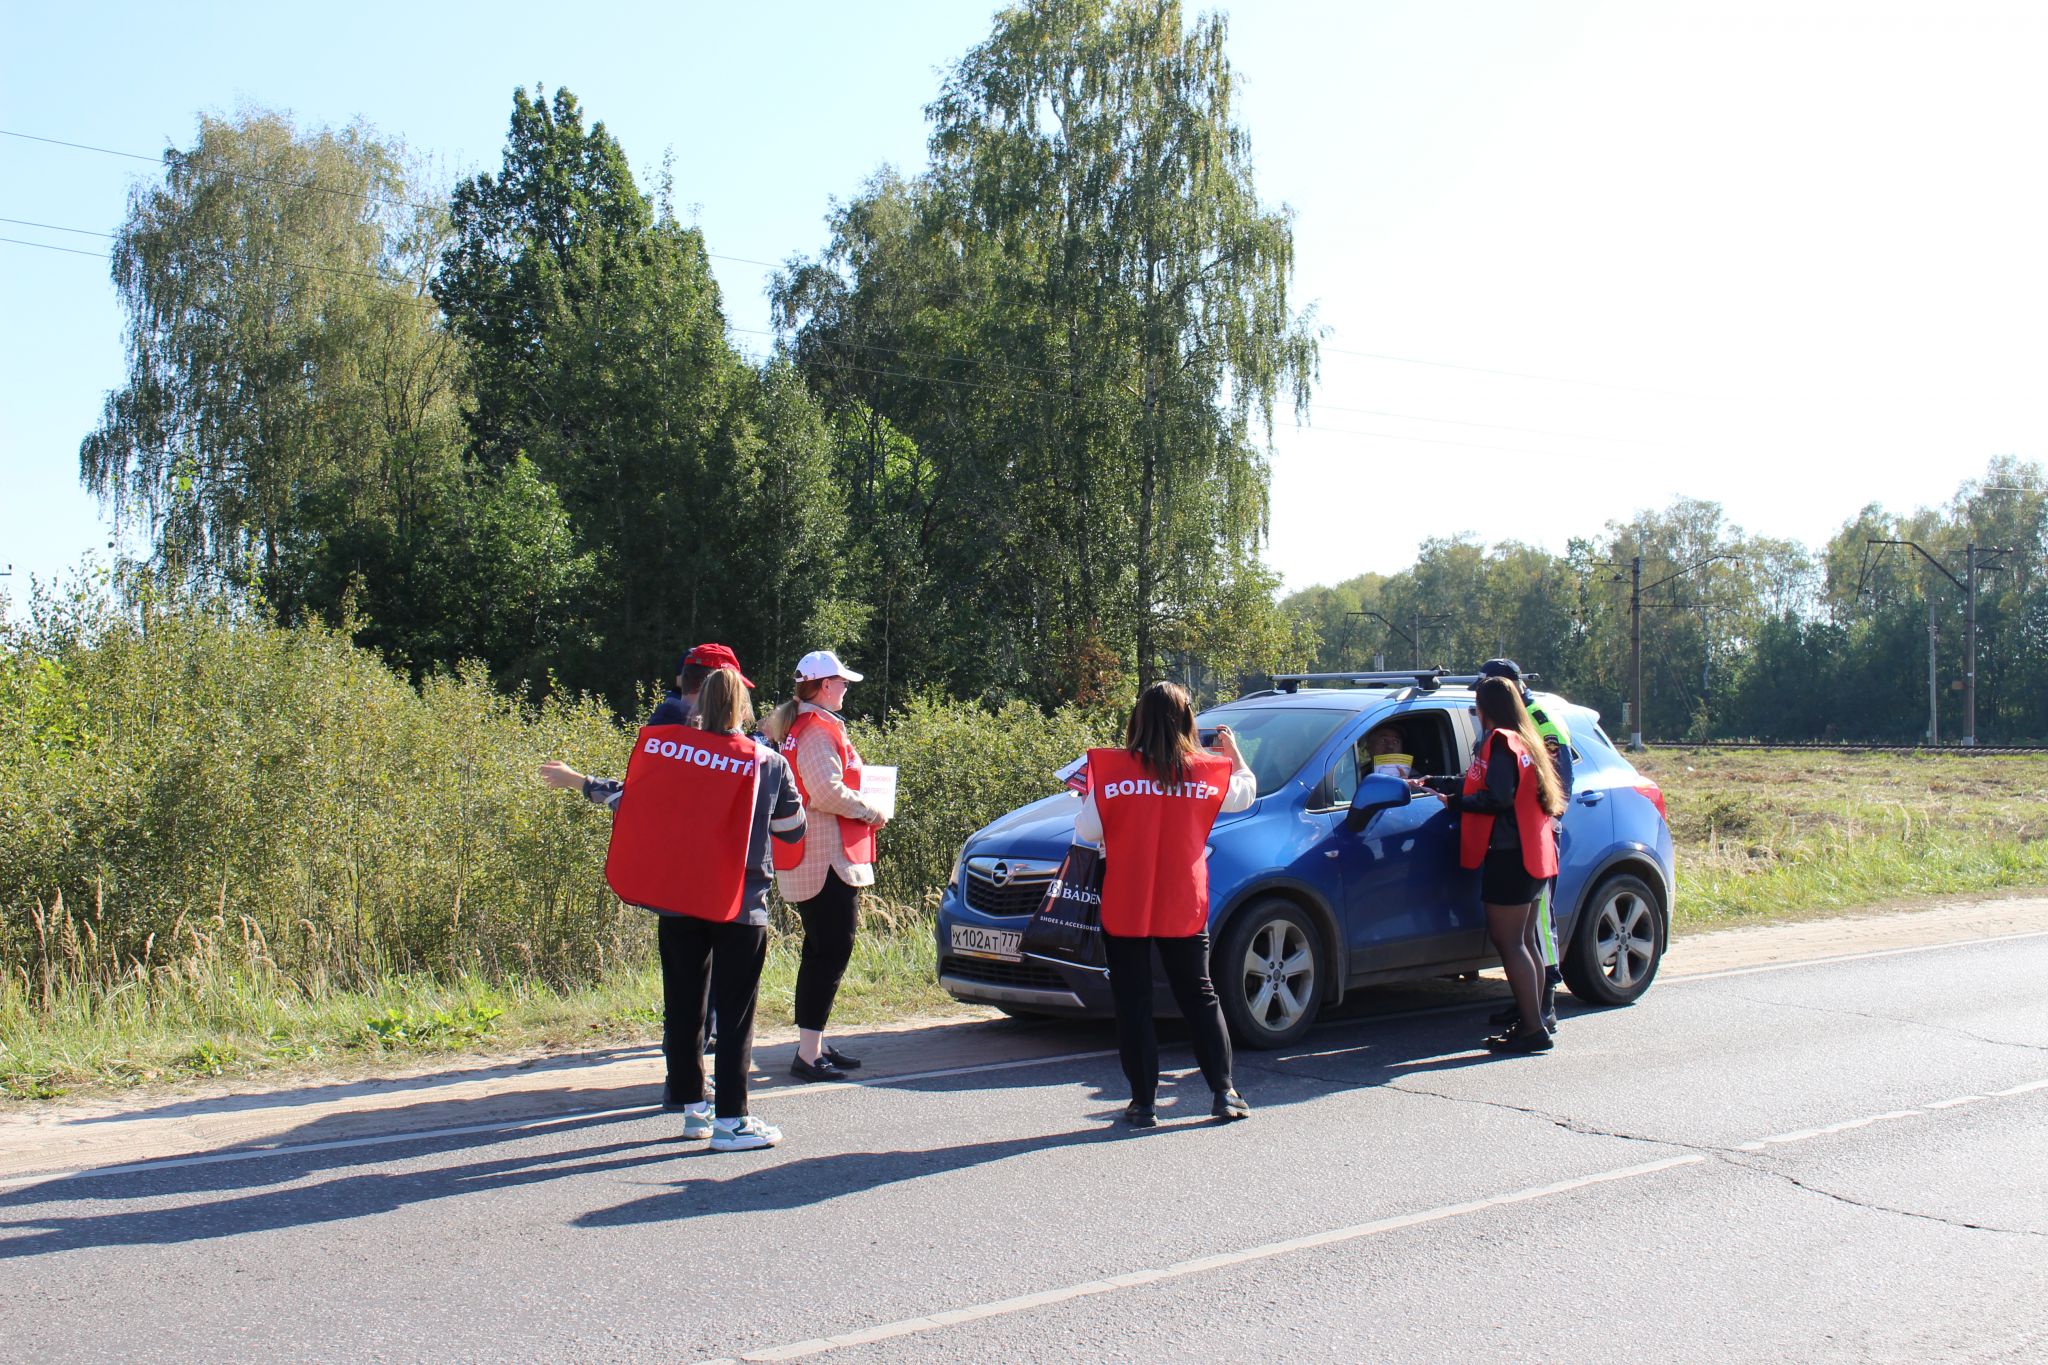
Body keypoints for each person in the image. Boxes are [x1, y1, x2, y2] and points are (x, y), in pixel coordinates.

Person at [542, 668, 804, 1149]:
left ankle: (693, 1109)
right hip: (740, 903)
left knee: (684, 1007)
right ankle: (732, 1120)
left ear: (697, 702)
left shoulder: (670, 752)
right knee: (735, 1012)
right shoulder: (766, 762)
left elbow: (631, 799)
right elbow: (791, 829)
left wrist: (579, 782)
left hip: (680, 898)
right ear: (743, 709)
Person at [1073, 681, 1257, 1127]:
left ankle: (1143, 1103)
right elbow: (1246, 793)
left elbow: (1087, 833)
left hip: (1127, 900)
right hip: (1183, 900)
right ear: (1188, 721)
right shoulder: (1207, 771)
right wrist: (1234, 755)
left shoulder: (1113, 772)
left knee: (1133, 1003)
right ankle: (1224, 1093)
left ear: (1137, 719)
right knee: (1199, 995)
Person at [1416, 675, 1566, 1053]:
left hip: (1510, 854)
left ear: (1485, 708)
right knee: (1525, 942)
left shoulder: (1500, 741)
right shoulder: (1523, 739)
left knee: (1510, 941)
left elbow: (1496, 798)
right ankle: (1534, 1021)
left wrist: (1454, 804)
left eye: (1477, 705)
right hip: (1531, 853)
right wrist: (1435, 782)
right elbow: (1478, 783)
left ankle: (1532, 1029)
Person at [774, 649, 888, 1082]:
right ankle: (807, 1053)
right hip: (826, 860)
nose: (845, 689)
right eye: (841, 683)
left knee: (821, 949)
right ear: (824, 686)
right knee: (830, 950)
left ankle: (813, 1043)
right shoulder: (818, 731)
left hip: (812, 856)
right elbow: (825, 791)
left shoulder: (799, 725)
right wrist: (870, 810)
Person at [1475, 658, 1575, 1034]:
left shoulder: (1536, 719)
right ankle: (1527, 1006)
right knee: (1524, 933)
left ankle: (1543, 1006)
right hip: (1525, 833)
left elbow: (1555, 782)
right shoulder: (1511, 718)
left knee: (1537, 928)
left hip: (1535, 832)